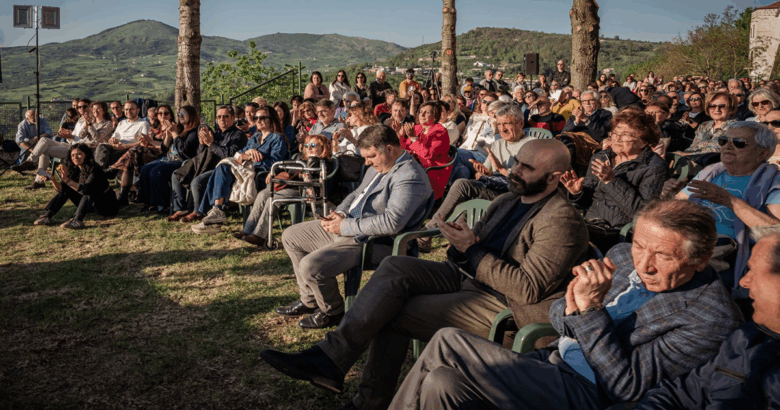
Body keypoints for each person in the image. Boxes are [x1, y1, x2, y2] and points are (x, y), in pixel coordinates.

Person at [260, 139, 591, 410]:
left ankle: (367, 401)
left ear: (554, 178)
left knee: (393, 313)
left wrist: (472, 250)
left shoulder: (561, 220)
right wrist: (465, 242)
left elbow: (527, 288)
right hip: (470, 278)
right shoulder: (508, 200)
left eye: (527, 168)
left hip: (504, 306)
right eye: (517, 162)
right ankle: (330, 357)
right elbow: (476, 251)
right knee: (394, 266)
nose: (515, 170)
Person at [387, 199, 742, 410]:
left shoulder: (708, 316)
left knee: (450, 341)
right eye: (640, 246)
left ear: (700, 259)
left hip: (588, 392)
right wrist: (576, 306)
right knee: (441, 383)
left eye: (662, 255)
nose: (643, 264)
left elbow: (625, 387)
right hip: (552, 360)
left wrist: (589, 312)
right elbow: (557, 314)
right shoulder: (620, 256)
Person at [272, 124, 433, 329]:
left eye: (371, 156)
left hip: (377, 242)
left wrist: (345, 226)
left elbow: (392, 223)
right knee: (292, 235)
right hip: (351, 228)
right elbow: (357, 194)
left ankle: (333, 311)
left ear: (390, 149)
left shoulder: (409, 176)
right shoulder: (381, 165)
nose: (366, 162)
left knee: (311, 266)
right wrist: (341, 212)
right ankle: (310, 300)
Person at [634, 223, 780, 409]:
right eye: (638, 245)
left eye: (754, 271)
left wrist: (591, 309)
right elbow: (681, 393)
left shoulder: (713, 318)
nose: (744, 282)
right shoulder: (746, 338)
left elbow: (624, 383)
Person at [665, 121, 780, 310]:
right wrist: (668, 194)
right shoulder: (711, 172)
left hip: (726, 251)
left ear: (763, 153)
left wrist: (730, 201)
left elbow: (775, 234)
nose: (728, 145)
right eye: (724, 140)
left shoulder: (773, 182)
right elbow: (674, 208)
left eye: (739, 142)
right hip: (689, 240)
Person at [419, 105, 536, 252]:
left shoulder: (532, 145)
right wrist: (484, 172)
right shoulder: (498, 144)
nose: (502, 128)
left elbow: (532, 180)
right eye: (499, 124)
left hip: (515, 195)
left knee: (464, 191)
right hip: (495, 188)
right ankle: (433, 234)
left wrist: (502, 170)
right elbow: (482, 174)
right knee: (462, 184)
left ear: (520, 123)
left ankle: (437, 236)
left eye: (507, 123)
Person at [562, 110, 667, 252]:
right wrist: (577, 192)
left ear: (644, 141)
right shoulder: (601, 157)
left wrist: (611, 181)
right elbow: (586, 202)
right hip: (590, 223)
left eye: (625, 135)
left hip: (616, 230)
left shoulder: (653, 166)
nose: (617, 139)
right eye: (615, 134)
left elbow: (642, 213)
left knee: (563, 235)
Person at [190, 105, 288, 234]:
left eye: (262, 117)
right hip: (245, 173)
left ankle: (214, 212)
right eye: (255, 117)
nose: (258, 120)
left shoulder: (277, 138)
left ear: (272, 119)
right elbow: (237, 156)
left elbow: (275, 163)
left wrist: (253, 158)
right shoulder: (254, 138)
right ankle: (215, 212)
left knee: (222, 168)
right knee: (222, 167)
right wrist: (248, 152)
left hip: (261, 176)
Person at [235, 134, 334, 247]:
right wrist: (273, 172)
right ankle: (247, 229)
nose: (309, 148)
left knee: (272, 200)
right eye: (306, 145)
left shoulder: (324, 162)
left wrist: (313, 159)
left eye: (313, 145)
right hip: (286, 185)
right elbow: (285, 166)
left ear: (323, 148)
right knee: (262, 194)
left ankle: (259, 235)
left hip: (302, 189)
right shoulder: (299, 158)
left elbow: (316, 178)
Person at [170, 105, 247, 223]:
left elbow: (229, 155)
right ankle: (181, 209)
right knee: (176, 175)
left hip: (225, 170)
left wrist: (211, 144)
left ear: (233, 118)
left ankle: (198, 212)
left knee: (197, 182)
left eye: (226, 116)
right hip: (206, 165)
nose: (222, 119)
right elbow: (200, 154)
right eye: (219, 116)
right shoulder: (216, 133)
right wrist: (202, 144)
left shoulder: (238, 135)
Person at [34, 143, 119, 229]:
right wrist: (53, 179)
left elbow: (85, 190)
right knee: (67, 188)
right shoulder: (74, 168)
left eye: (79, 154)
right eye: (73, 155)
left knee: (89, 192)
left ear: (86, 155)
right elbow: (61, 190)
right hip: (90, 205)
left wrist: (67, 180)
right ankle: (47, 216)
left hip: (107, 205)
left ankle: (78, 220)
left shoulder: (94, 169)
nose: (75, 157)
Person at [135, 105, 200, 214]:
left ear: (191, 115)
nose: (180, 116)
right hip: (168, 158)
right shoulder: (179, 128)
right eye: (179, 114)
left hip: (182, 162)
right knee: (146, 169)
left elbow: (184, 152)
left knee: (157, 171)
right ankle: (149, 203)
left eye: (183, 114)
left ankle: (163, 205)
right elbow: (164, 148)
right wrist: (168, 137)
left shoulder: (194, 132)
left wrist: (174, 134)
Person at [111, 104, 176, 206]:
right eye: (160, 113)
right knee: (132, 157)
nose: (163, 115)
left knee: (134, 152)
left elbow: (165, 147)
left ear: (170, 115)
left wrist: (150, 142)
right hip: (148, 151)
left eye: (166, 113)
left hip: (162, 154)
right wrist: (145, 142)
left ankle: (114, 170)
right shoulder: (154, 127)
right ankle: (125, 194)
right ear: (157, 115)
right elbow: (147, 143)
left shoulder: (173, 127)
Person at [399, 101, 453, 199]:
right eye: (420, 111)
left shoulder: (440, 131)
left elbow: (428, 155)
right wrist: (399, 135)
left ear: (435, 115)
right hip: (414, 165)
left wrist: (413, 138)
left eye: (426, 112)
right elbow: (405, 148)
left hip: (431, 171)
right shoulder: (418, 128)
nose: (422, 115)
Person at [95, 100, 151, 169]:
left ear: (138, 110)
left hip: (129, 149)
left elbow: (144, 142)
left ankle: (101, 171)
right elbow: (112, 139)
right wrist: (113, 141)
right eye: (126, 109)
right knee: (101, 147)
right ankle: (101, 170)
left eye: (131, 109)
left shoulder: (143, 123)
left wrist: (125, 146)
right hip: (117, 147)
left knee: (107, 156)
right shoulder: (122, 123)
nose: (128, 111)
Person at [683, 91, 737, 159]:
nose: (717, 109)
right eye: (712, 106)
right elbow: (693, 147)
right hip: (696, 162)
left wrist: (688, 154)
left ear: (731, 109)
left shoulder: (736, 127)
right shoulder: (704, 125)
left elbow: (718, 150)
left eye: (722, 106)